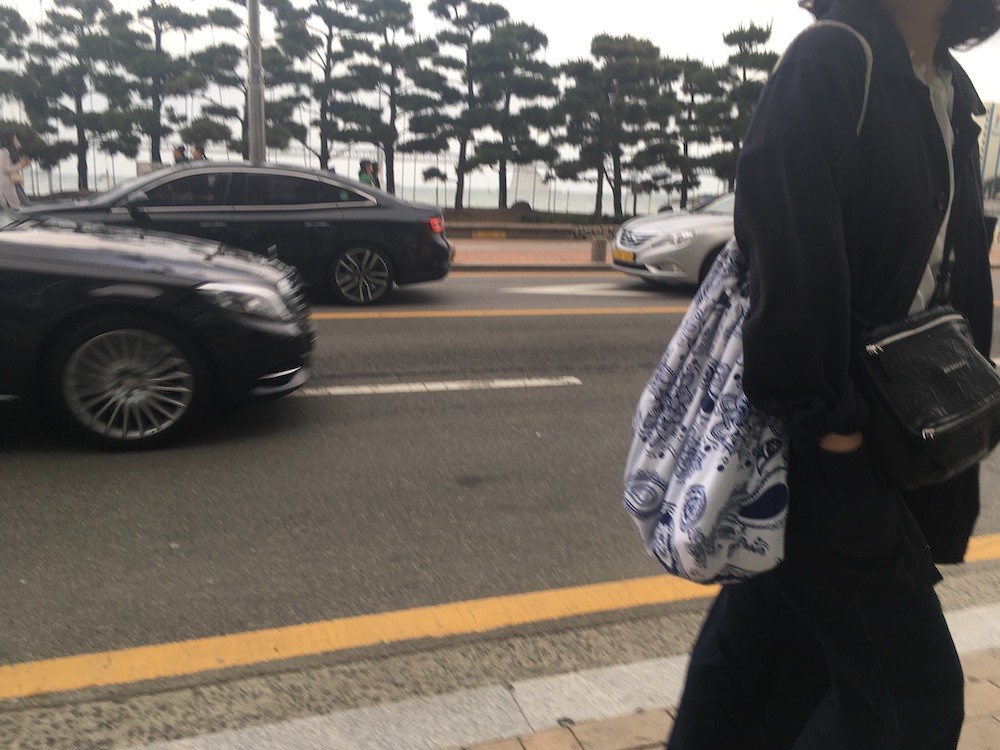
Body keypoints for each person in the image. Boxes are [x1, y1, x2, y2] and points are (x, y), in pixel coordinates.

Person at [666, 1, 1000, 749]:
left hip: (895, 436)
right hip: (825, 443)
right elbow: (788, 263)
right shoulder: (834, 60)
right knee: (913, 698)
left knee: (765, 669)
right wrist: (834, 437)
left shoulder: (950, 90)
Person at [0, 132, 30, 209]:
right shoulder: (5, 152)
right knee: (16, 206)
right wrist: (20, 165)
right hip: (7, 182)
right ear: (10, 139)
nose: (16, 139)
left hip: (10, 181)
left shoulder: (6, 151)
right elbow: (6, 169)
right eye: (15, 138)